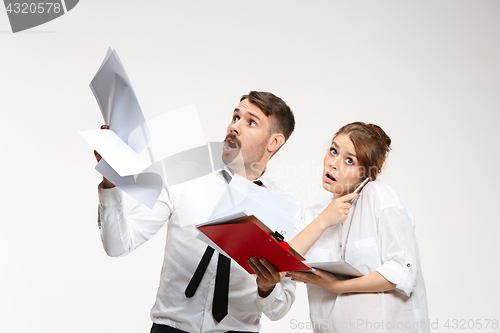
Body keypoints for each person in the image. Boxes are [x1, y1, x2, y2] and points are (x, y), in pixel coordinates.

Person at [95, 91, 298, 333]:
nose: (235, 127)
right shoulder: (182, 178)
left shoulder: (285, 208)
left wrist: (267, 288)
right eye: (235, 117)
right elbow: (119, 245)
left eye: (250, 122)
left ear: (274, 142)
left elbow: (278, 310)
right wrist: (111, 183)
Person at [289, 122, 429, 333]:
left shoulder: (379, 197)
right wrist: (323, 221)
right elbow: (280, 262)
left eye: (349, 160)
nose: (333, 164)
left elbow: (402, 270)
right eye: (333, 151)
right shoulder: (312, 216)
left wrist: (337, 286)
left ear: (366, 173)